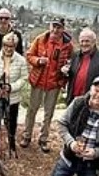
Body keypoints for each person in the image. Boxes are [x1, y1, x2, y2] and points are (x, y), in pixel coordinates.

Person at [22, 17, 74, 153]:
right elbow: (29, 55)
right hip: (38, 81)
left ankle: (43, 139)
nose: (56, 30)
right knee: (32, 110)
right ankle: (27, 135)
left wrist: (66, 69)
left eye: (59, 27)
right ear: (50, 26)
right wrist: (38, 61)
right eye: (54, 26)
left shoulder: (68, 45)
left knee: (48, 113)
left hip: (54, 83)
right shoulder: (40, 39)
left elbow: (71, 62)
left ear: (63, 29)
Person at [0, 32, 28, 154]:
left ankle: (12, 141)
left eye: (11, 46)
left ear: (15, 46)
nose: (8, 48)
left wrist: (12, 87)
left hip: (12, 97)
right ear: (2, 45)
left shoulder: (21, 60)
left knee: (12, 120)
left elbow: (24, 78)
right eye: (6, 45)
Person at [63, 28, 99, 106]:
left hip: (91, 99)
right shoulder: (75, 56)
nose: (84, 43)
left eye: (87, 41)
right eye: (82, 41)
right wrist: (65, 72)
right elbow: (70, 75)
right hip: (73, 98)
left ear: (94, 42)